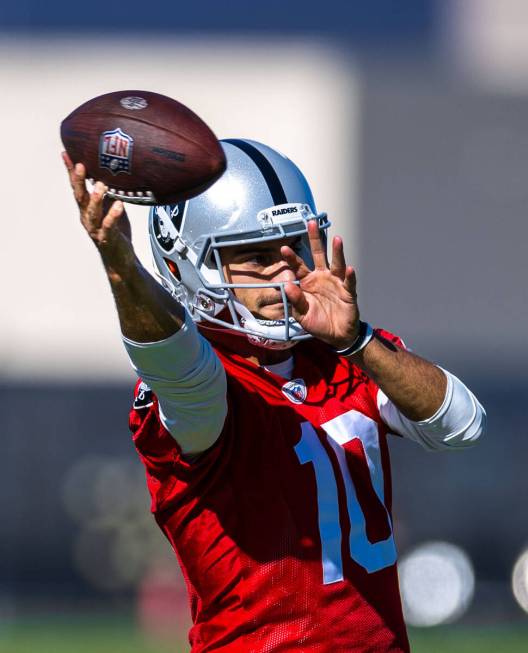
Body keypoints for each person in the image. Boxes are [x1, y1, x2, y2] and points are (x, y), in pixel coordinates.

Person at [63, 138, 486, 653]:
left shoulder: (345, 355)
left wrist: (358, 341)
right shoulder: (204, 383)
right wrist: (123, 268)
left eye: (293, 250)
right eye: (257, 257)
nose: (286, 276)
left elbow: (461, 425)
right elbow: (174, 362)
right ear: (181, 268)